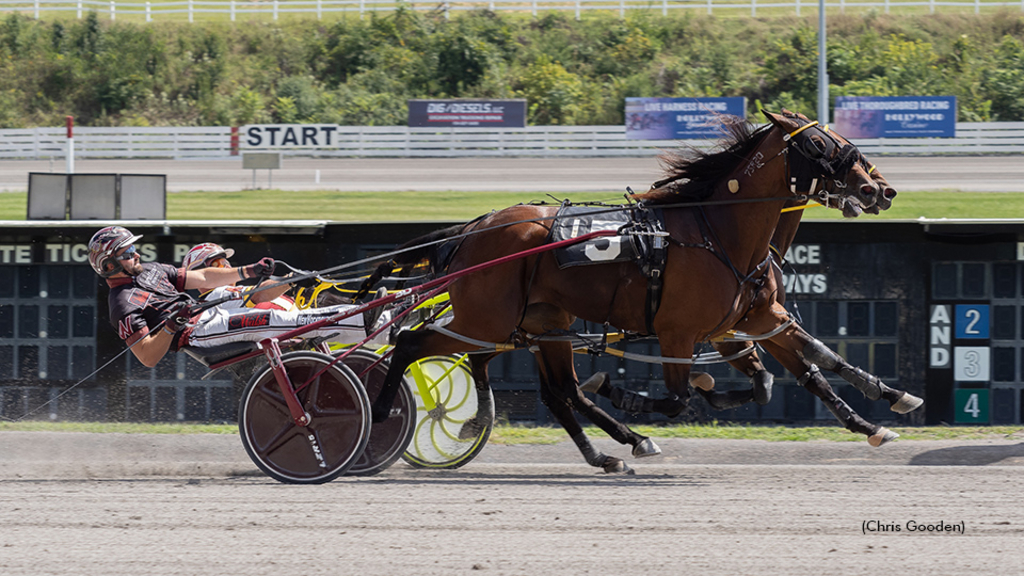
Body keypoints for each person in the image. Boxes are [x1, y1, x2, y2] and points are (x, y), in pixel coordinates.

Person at [89, 226, 388, 368]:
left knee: (252, 292)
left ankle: (374, 320)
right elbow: (148, 356)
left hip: (205, 311)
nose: (136, 254)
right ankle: (362, 318)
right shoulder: (122, 304)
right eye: (127, 252)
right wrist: (171, 324)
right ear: (109, 264)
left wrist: (250, 270)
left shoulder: (153, 269)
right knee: (269, 318)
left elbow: (204, 278)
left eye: (133, 248)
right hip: (197, 333)